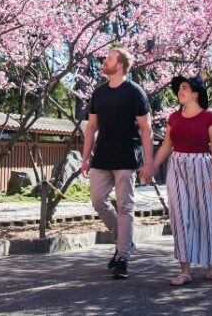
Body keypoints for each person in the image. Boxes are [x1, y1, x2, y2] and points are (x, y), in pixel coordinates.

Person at [152, 75, 212, 286]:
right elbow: (166, 145)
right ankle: (185, 270)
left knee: (204, 213)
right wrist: (152, 166)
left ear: (195, 93)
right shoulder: (173, 117)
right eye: (179, 88)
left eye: (184, 88)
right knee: (180, 215)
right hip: (177, 166)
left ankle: (211, 264)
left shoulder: (210, 117)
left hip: (202, 166)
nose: (180, 91)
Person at [81, 47, 153, 280]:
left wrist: (149, 163)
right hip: (101, 157)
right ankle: (124, 240)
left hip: (126, 157)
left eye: (109, 58)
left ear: (120, 64)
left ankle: (122, 256)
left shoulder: (135, 92)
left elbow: (146, 129)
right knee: (97, 201)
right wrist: (85, 157)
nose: (105, 61)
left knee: (125, 206)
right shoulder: (99, 93)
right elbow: (91, 127)